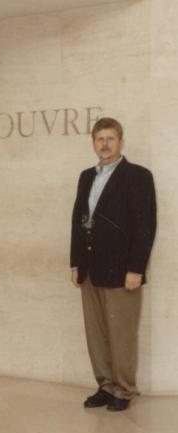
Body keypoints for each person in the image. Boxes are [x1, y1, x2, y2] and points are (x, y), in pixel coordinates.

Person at [70, 117, 157, 411]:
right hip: (90, 270)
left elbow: (145, 225)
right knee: (96, 332)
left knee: (121, 333)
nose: (104, 145)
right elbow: (77, 221)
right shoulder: (85, 176)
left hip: (123, 271)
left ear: (121, 141)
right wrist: (75, 263)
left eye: (110, 139)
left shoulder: (138, 176)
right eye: (99, 139)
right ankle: (106, 386)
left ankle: (124, 390)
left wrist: (136, 269)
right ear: (93, 143)